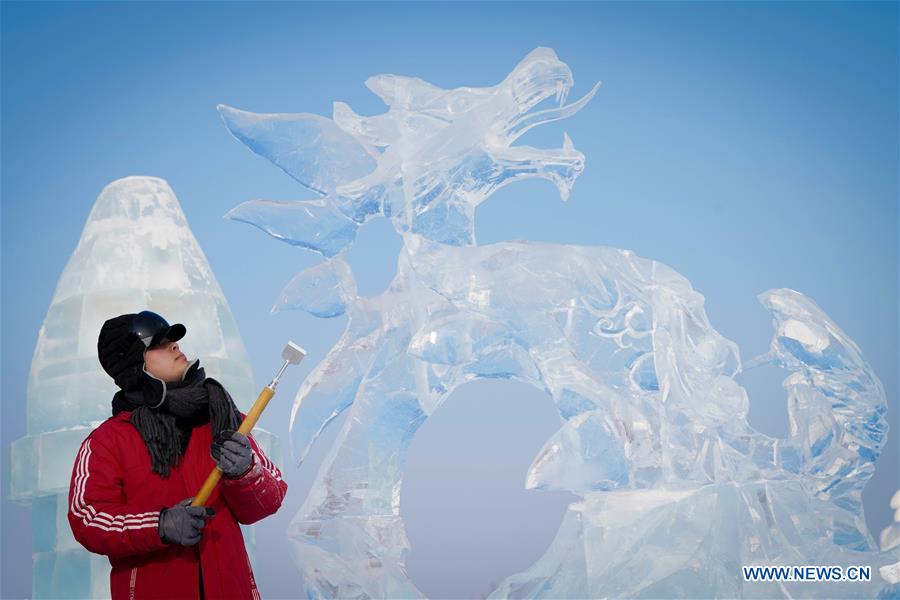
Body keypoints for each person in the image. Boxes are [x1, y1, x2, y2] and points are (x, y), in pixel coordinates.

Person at [67, 310, 288, 599]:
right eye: (159, 343)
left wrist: (246, 471)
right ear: (134, 365)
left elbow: (268, 501)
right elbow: (88, 518)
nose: (174, 345)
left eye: (173, 338)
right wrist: (159, 525)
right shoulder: (107, 442)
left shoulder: (225, 420)